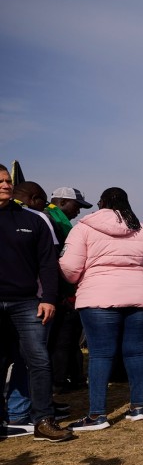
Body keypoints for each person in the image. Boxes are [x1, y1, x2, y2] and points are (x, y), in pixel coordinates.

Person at [60, 187, 143, 429]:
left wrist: (79, 279)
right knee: (135, 352)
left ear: (101, 203)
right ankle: (138, 407)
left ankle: (97, 414)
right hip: (138, 295)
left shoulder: (84, 227)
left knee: (100, 354)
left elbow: (69, 265)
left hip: (97, 296)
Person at [0, 165, 71, 442]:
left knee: (38, 360)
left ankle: (43, 421)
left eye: (8, 181)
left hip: (27, 302)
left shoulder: (34, 219)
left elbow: (48, 264)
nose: (6, 185)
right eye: (0, 181)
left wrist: (49, 298)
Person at [47, 187, 92, 393]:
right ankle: (59, 381)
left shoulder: (61, 222)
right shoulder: (51, 221)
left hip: (66, 292)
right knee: (62, 340)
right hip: (60, 292)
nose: (79, 211)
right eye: (77, 206)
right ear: (63, 202)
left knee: (70, 339)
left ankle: (74, 378)